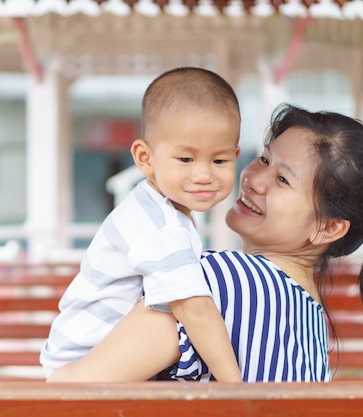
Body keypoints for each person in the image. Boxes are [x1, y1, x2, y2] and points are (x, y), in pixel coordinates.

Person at [47, 103, 363, 382]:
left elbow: (70, 392)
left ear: (328, 229)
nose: (254, 179)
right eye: (264, 158)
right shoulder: (308, 314)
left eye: (284, 180)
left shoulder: (215, 280)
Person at [39, 67, 242, 382]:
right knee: (178, 317)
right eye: (186, 160)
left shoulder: (164, 209)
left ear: (236, 156)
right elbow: (195, 309)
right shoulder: (158, 224)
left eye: (219, 161)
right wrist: (238, 387)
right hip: (82, 365)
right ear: (145, 158)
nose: (204, 174)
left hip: (101, 355)